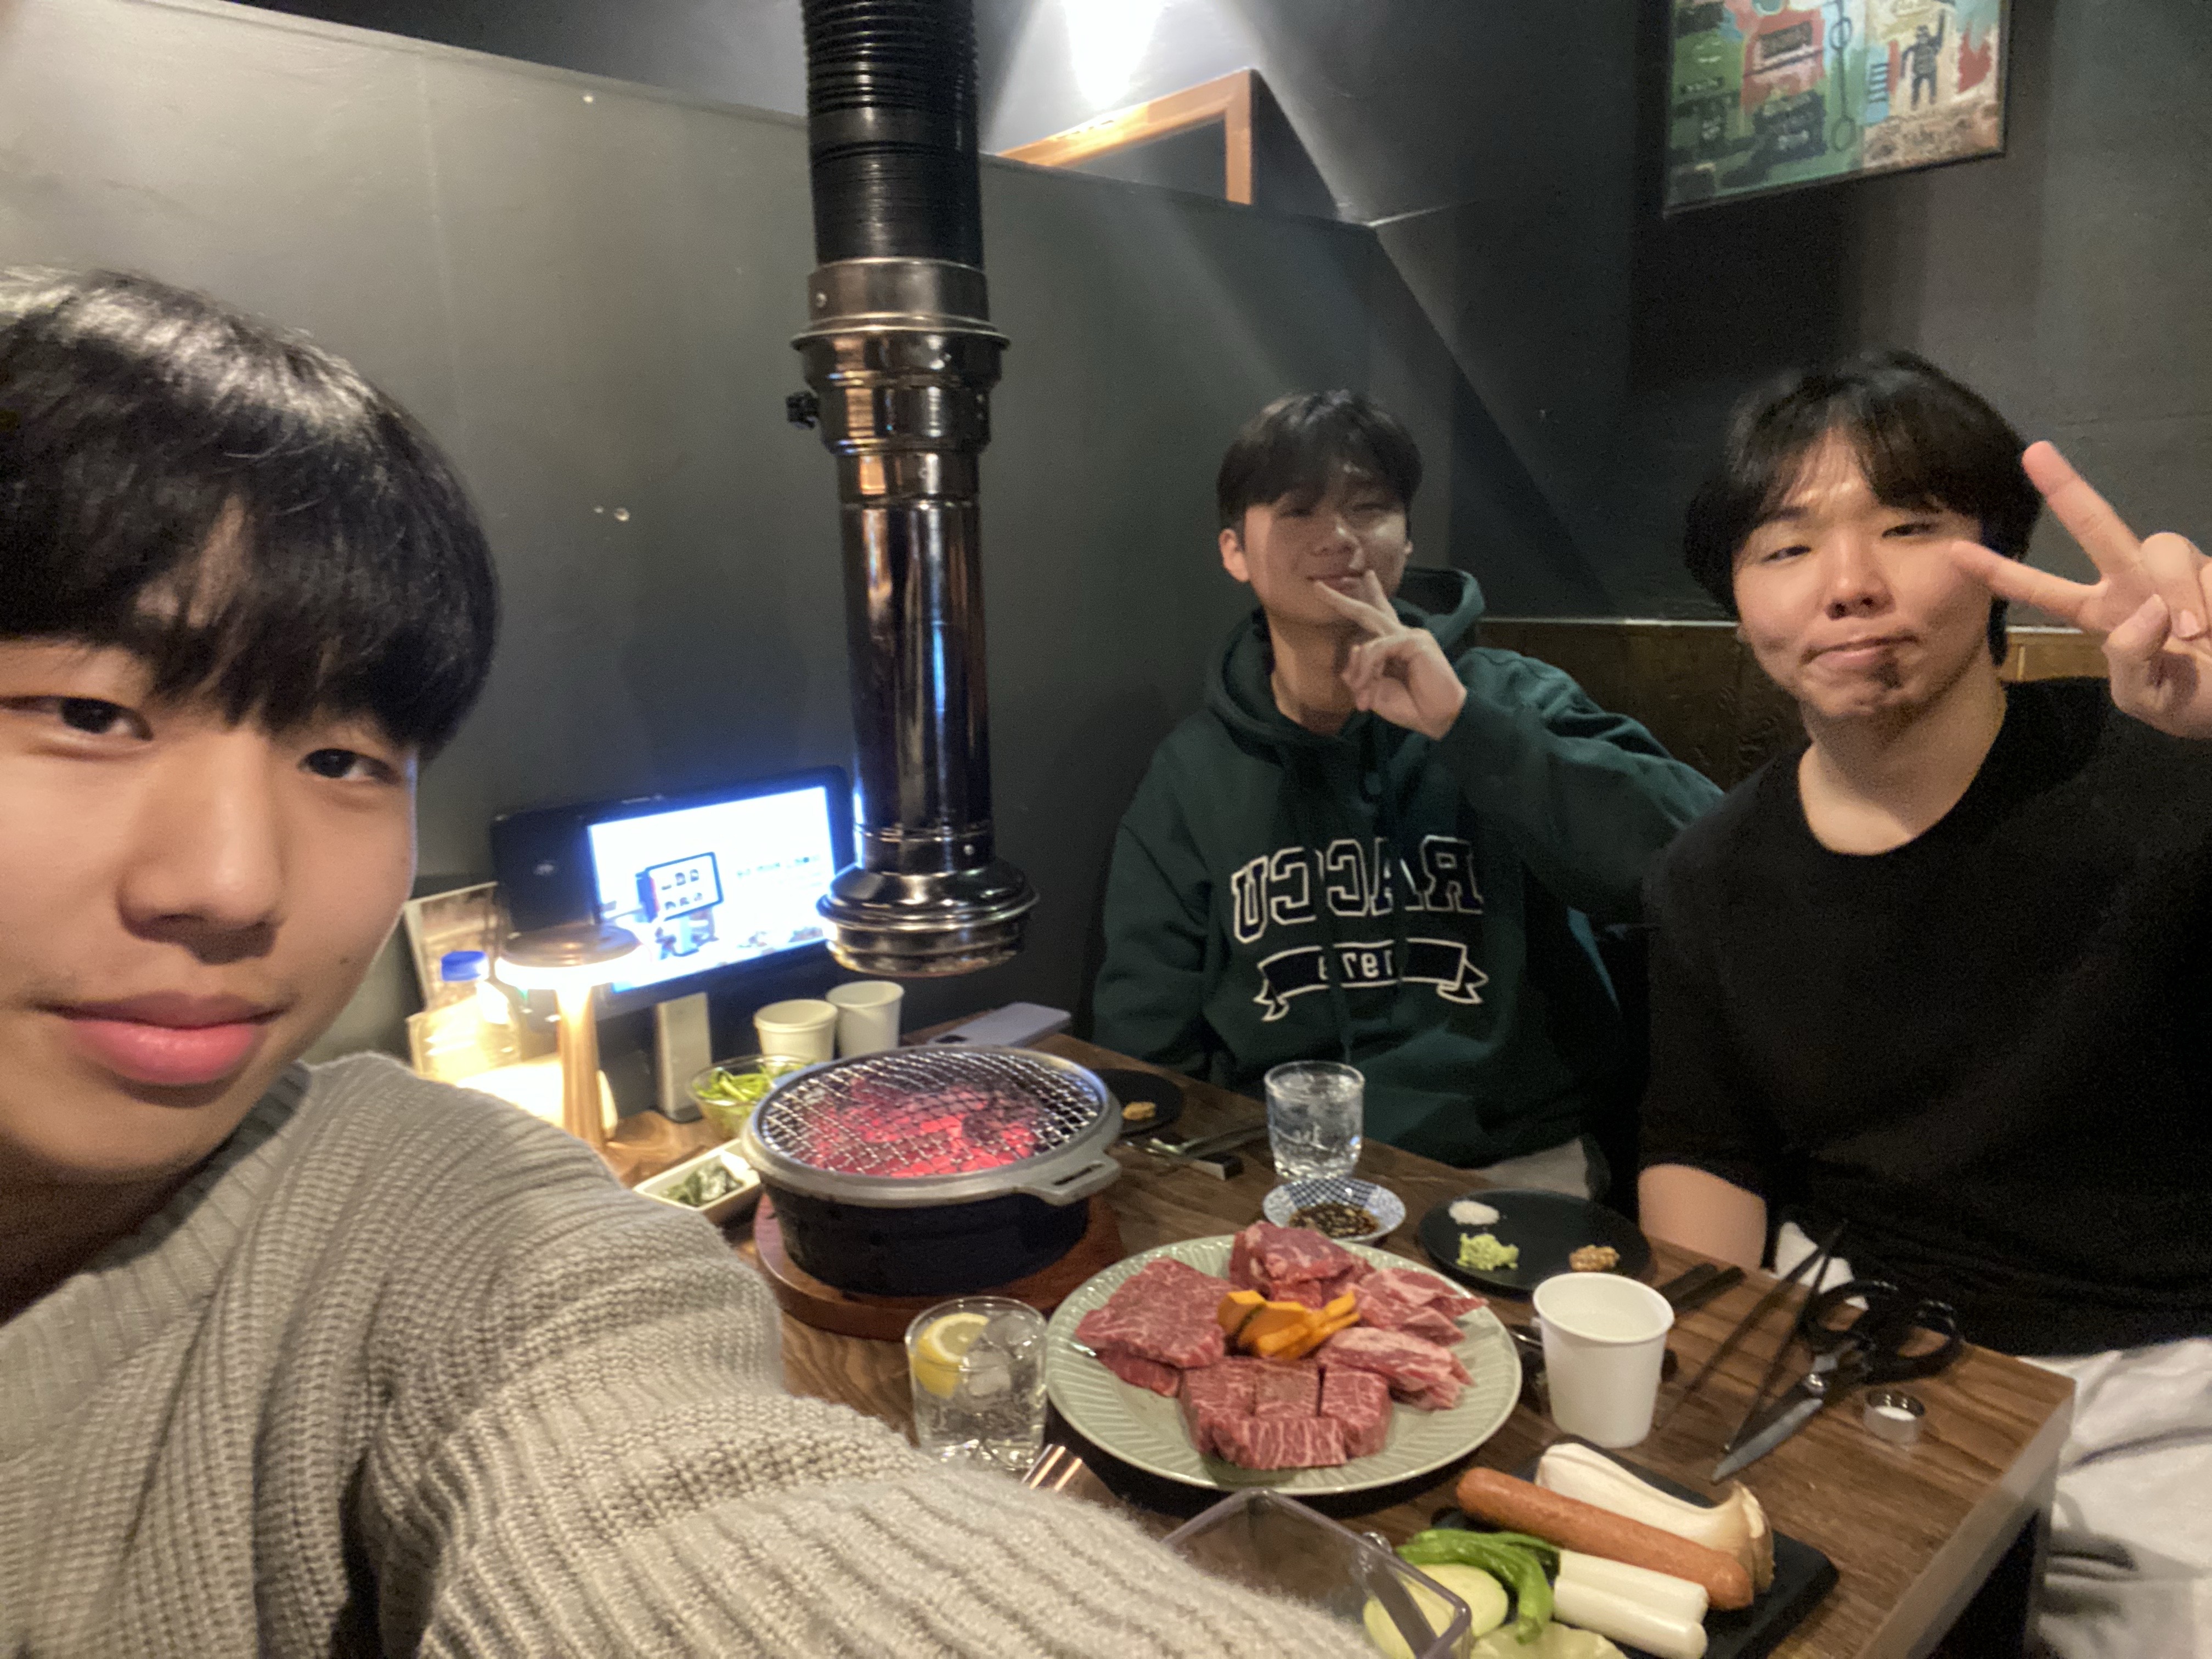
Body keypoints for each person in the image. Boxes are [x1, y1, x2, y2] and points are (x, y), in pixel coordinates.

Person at [0, 269, 1373, 1657]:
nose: (232, 884)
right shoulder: (1193, 772)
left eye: (342, 757)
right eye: (88, 713)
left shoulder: (448, 1219)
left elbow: (665, 1482)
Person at [1636, 349, 2212, 1658]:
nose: (1849, 584)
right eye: (1787, 547)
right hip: (1854, 1341)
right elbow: (1706, 1147)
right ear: (1738, 600)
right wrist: (1701, 1381)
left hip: (2161, 1376)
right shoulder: (1706, 877)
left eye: (1908, 528)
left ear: (1999, 556)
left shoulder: (2173, 778)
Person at [1094, 391, 1720, 1191]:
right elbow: (1145, 1038)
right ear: (1235, 551)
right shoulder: (1193, 772)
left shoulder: (1513, 700)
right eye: (1298, 509)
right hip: (1279, 1164)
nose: (1339, 536)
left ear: (1408, 536)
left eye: (1369, 507)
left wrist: (1464, 725)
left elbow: (1695, 864)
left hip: (1514, 1163)